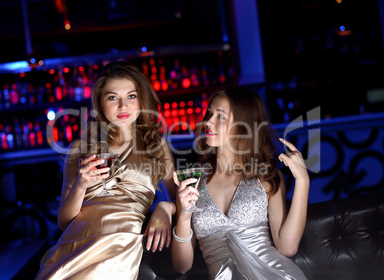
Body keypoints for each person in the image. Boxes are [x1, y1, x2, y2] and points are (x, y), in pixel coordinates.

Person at [36, 61, 176, 280]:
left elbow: (183, 200)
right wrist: (81, 185)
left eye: (131, 96)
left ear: (142, 99)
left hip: (122, 242)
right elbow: (64, 221)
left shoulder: (157, 146)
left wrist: (165, 207)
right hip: (79, 242)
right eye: (112, 97)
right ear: (100, 104)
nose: (123, 106)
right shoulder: (80, 148)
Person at [171, 87, 309, 279]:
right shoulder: (193, 181)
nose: (208, 121)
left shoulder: (267, 177)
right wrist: (184, 217)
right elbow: (182, 265)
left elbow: (287, 247)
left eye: (220, 116)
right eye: (210, 113)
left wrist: (303, 180)